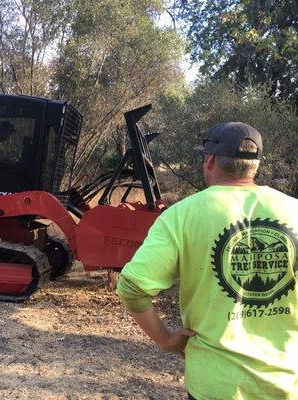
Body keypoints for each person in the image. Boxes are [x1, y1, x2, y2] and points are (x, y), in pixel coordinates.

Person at [116, 122, 297, 399]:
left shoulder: (183, 215)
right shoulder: (293, 210)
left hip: (216, 384)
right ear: (256, 165)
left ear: (210, 159)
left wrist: (167, 341)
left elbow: (132, 288)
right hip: (287, 382)